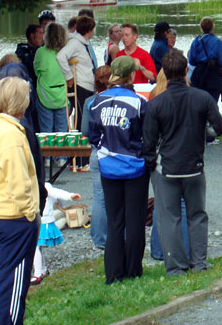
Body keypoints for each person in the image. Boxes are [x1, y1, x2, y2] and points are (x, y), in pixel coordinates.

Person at [143, 49, 222, 276]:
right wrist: (203, 130)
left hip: (166, 168)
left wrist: (151, 165)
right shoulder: (202, 98)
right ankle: (199, 263)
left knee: (170, 218)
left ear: (164, 74)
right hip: (194, 167)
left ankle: (176, 267)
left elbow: (148, 142)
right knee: (197, 215)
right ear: (186, 71)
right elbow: (218, 127)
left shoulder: (156, 103)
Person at [0, 76, 39, 325]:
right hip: (14, 217)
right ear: (20, 101)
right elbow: (18, 182)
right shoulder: (11, 136)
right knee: (15, 282)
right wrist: (30, 212)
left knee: (3, 278)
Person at [89, 56, 149, 284]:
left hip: (108, 167)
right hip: (134, 167)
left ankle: (113, 274)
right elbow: (147, 135)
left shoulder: (97, 101)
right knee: (135, 221)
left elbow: (92, 134)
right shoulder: (139, 102)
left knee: (115, 222)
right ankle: (133, 270)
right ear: (132, 75)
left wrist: (106, 150)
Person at [146, 66, 190, 261]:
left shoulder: (153, 98)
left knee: (161, 205)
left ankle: (158, 249)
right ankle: (184, 252)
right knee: (182, 204)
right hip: (183, 157)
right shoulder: (187, 97)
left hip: (158, 158)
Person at [57, 15, 96, 169]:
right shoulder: (75, 43)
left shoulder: (83, 43)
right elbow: (61, 57)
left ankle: (82, 159)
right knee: (80, 121)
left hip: (87, 86)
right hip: (79, 85)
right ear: (89, 30)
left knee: (84, 121)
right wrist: (69, 77)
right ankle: (80, 161)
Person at [81, 65, 112, 250]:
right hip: (113, 151)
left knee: (99, 196)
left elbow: (85, 130)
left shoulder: (90, 102)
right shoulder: (115, 100)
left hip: (96, 152)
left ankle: (99, 237)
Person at [31, 182, 81, 285]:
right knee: (37, 247)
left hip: (44, 222)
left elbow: (57, 193)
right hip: (40, 221)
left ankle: (38, 273)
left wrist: (70, 196)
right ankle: (43, 270)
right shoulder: (35, 185)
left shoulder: (44, 186)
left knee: (35, 248)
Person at [34, 22, 68, 167]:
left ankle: (46, 157)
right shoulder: (65, 52)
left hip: (45, 92)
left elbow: (37, 70)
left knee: (45, 126)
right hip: (62, 92)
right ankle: (61, 157)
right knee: (61, 125)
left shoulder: (40, 52)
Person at [189, 16, 222, 103]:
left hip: (199, 75)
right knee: (212, 104)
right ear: (212, 27)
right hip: (214, 76)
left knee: (199, 104)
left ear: (201, 28)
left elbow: (191, 61)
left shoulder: (196, 41)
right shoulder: (218, 42)